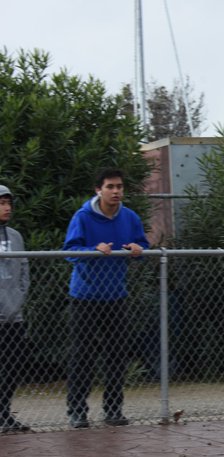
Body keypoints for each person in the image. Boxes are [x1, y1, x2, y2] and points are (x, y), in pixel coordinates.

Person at [63, 168, 149, 429]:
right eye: (110, 187)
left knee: (116, 355)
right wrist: (93, 250)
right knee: (82, 356)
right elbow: (69, 251)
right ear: (98, 190)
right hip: (85, 297)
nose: (116, 192)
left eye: (119, 187)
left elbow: (142, 244)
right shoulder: (83, 217)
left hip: (116, 297)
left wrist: (138, 250)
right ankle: (77, 412)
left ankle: (113, 410)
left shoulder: (130, 217)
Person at [0, 184, 31, 433]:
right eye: (2, 203)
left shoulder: (16, 236)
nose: (7, 208)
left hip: (14, 316)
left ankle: (4, 414)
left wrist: (15, 305)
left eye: (9, 202)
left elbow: (24, 275)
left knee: (11, 368)